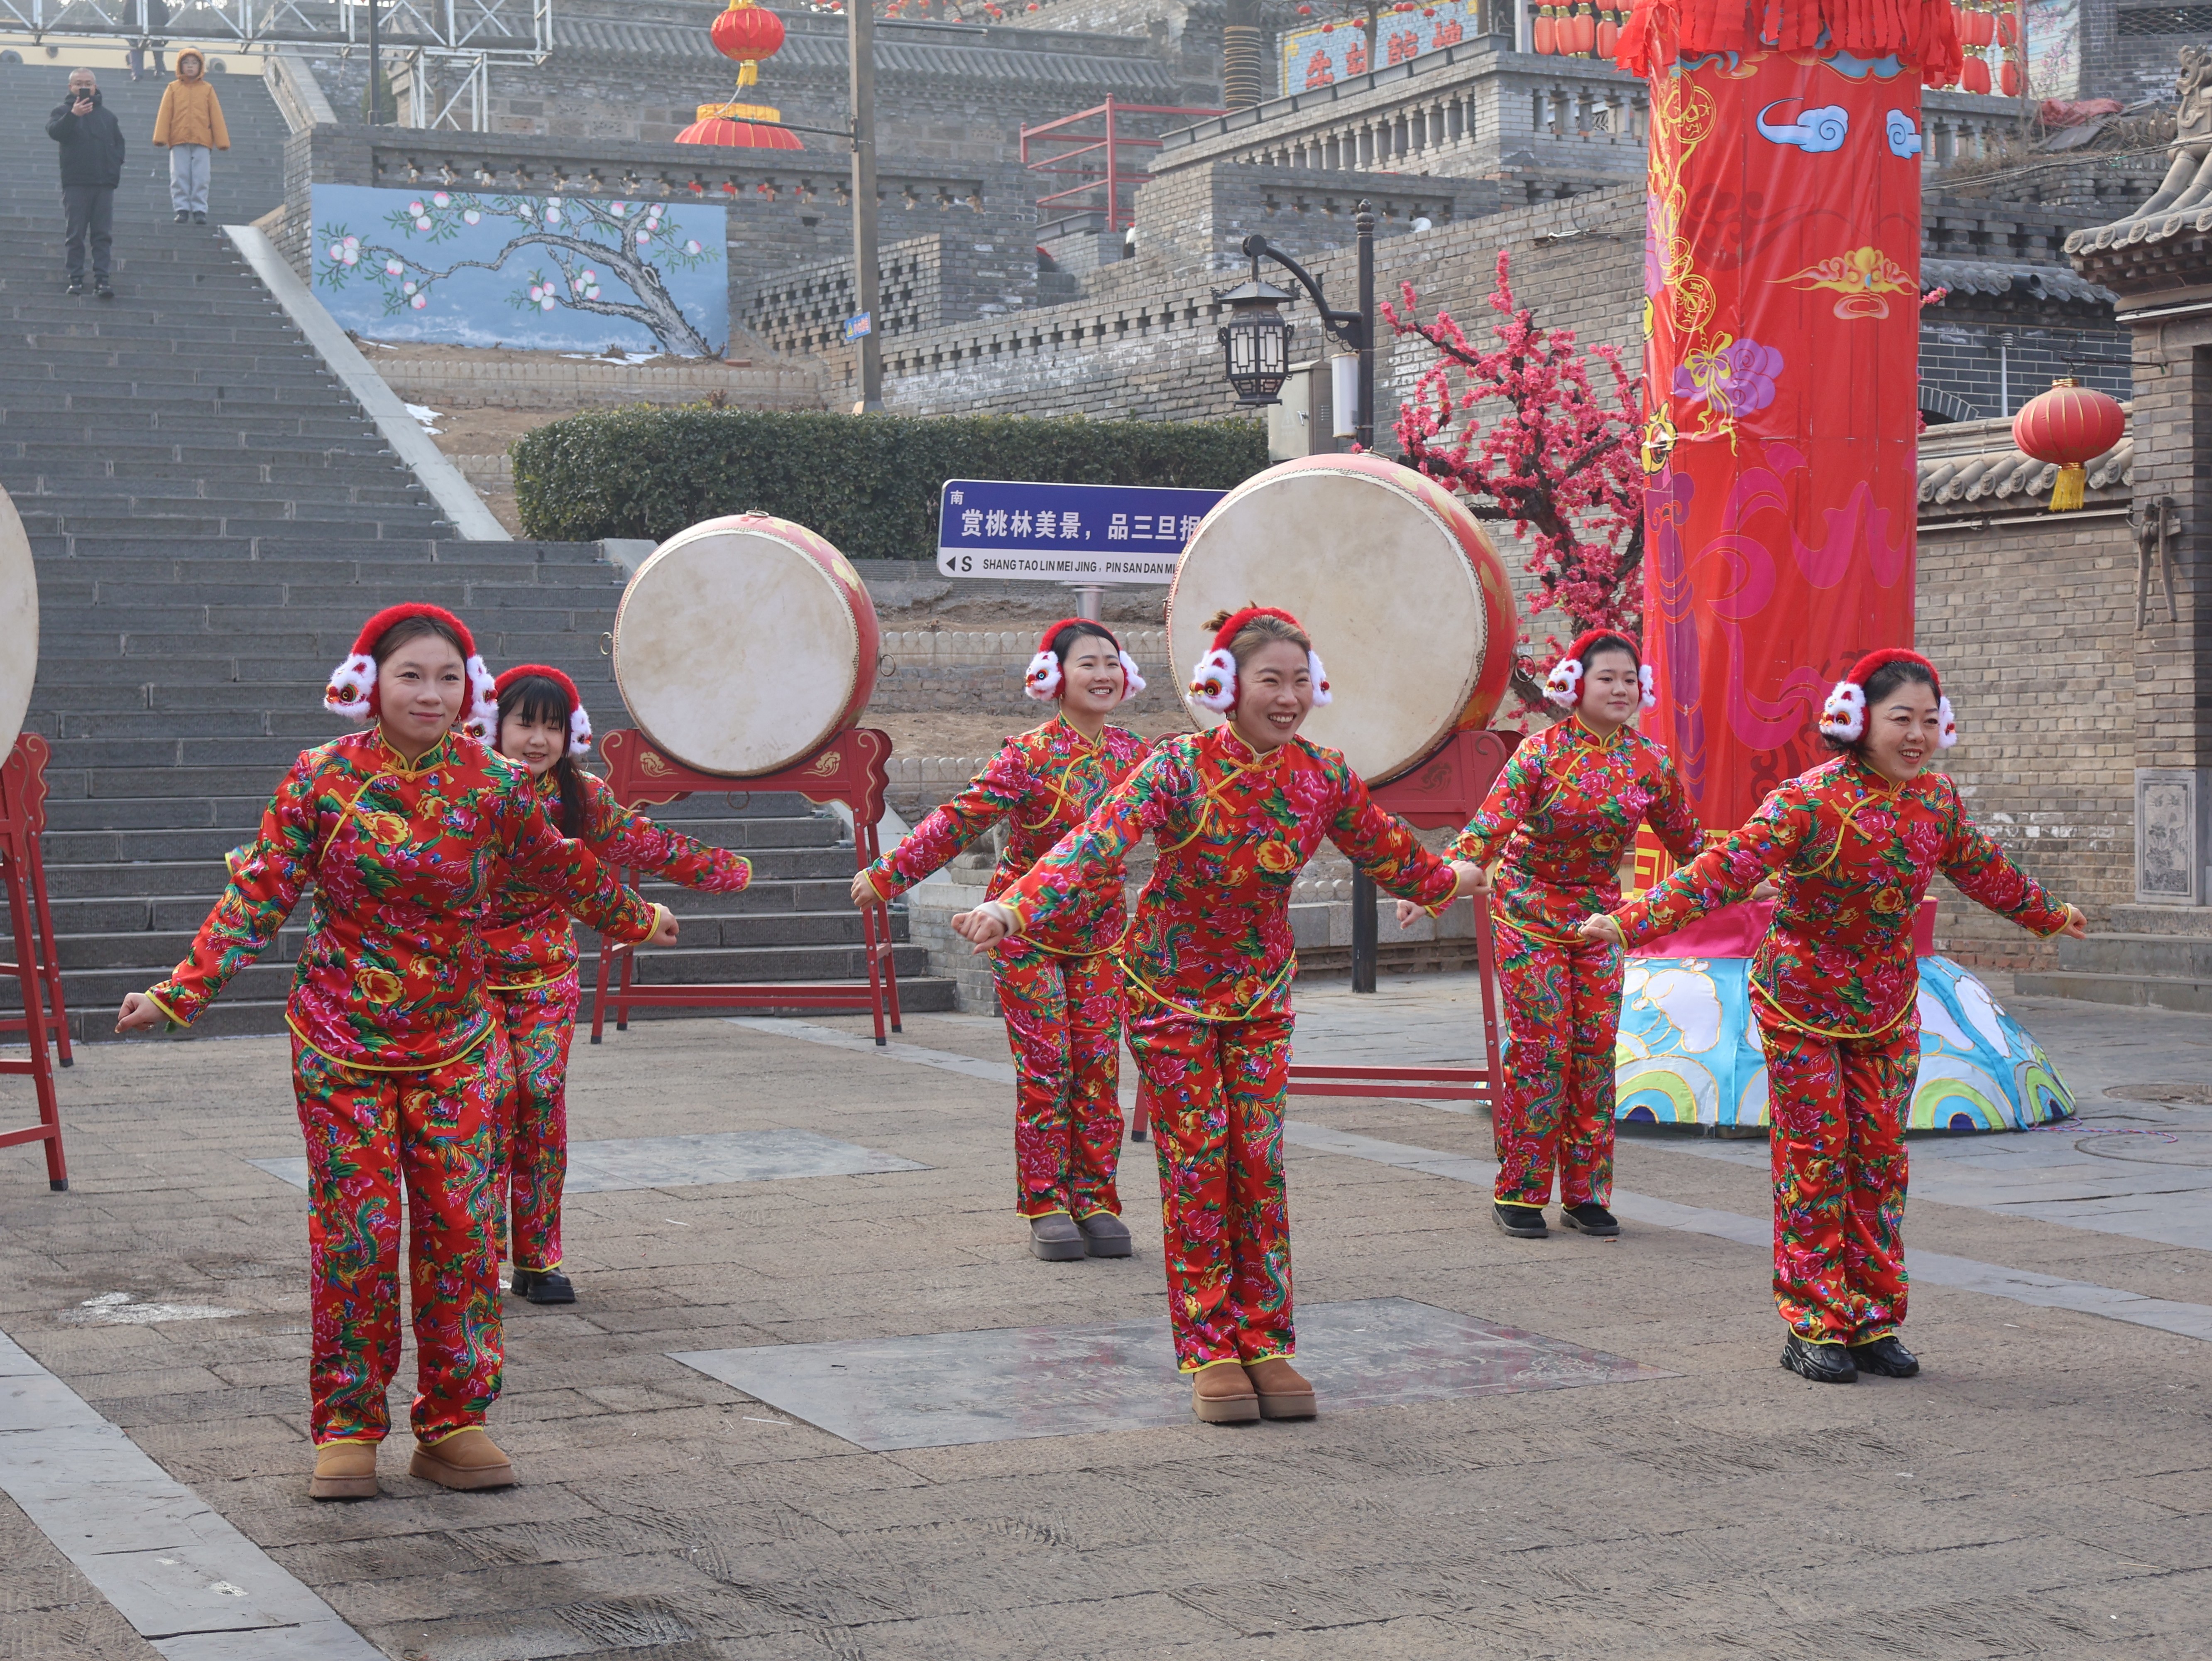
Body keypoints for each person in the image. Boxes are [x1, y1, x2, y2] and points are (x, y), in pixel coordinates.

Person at [113, 606, 678, 1502]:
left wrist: (634, 915)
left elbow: (558, 865)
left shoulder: (493, 782)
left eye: (448, 677)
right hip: (340, 1043)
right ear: (371, 682)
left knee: (460, 1232)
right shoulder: (321, 780)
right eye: (411, 674)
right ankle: (346, 1424)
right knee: (359, 1237)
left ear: (471, 689)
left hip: (457, 1040)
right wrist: (183, 988)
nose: (430, 693)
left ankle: (454, 1421)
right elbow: (260, 888)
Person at [956, 608, 1484, 1425]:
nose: (1288, 696)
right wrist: (1015, 910)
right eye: (1270, 679)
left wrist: (1460, 879)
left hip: (1262, 991)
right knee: (1201, 1163)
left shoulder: (1324, 775)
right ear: (1227, 685)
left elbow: (1395, 854)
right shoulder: (1176, 768)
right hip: (1169, 990)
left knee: (1260, 1165)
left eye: (1300, 681)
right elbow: (1093, 845)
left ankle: (1267, 1342)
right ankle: (1209, 1347)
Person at [1580, 649, 2086, 1385]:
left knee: (1879, 1161)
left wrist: (2048, 914)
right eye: (1898, 719)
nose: (1914, 736)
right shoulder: (1805, 800)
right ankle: (1813, 1323)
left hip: (1886, 1003)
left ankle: (1874, 1320)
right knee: (1817, 1158)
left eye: (1925, 721)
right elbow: (1723, 871)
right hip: (1800, 1000)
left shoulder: (1936, 803)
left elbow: (1983, 868)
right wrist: (1632, 922)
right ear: (1857, 720)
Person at [851, 620, 1152, 1262]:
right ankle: (1046, 1202)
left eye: (1112, 663)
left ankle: (1096, 1199)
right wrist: (888, 875)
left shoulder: (1137, 758)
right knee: (1049, 1068)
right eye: (1088, 664)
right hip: (1023, 933)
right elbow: (959, 819)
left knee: (1099, 1068)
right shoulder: (1027, 755)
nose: (1103, 675)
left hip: (1101, 940)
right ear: (1053, 677)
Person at [1409, 630, 1701, 1241]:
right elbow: (1486, 834)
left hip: (1599, 922)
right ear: (1575, 686)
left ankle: (1587, 1194)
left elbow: (1693, 851)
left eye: (1629, 679)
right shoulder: (1540, 754)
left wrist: (1752, 877)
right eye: (1606, 679)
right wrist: (1433, 885)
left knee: (1594, 1052)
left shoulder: (1651, 762)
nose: (1621, 689)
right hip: (1528, 912)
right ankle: (1519, 1190)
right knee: (1543, 1050)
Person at [485, 664, 754, 1306]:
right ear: (496, 726)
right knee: (488, 1104)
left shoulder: (583, 797)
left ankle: (537, 1258)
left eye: (552, 727)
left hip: (546, 976)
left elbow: (646, 844)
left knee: (541, 1103)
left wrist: (725, 872)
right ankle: (473, 1254)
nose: (537, 740)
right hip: (466, 979)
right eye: (525, 723)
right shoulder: (466, 789)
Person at [47, 69, 124, 299]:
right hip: (76, 183)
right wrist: (74, 115)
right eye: (79, 83)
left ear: (95, 87)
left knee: (102, 235)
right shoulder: (62, 111)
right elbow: (54, 132)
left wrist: (113, 171)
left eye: (88, 83)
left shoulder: (108, 116)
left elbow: (119, 145)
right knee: (76, 233)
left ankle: (102, 280)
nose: (84, 86)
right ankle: (76, 279)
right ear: (70, 87)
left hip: (103, 184)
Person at [152, 49, 229, 226]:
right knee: (179, 176)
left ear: (201, 67)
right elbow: (165, 114)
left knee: (202, 177)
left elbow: (216, 115)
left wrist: (222, 141)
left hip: (203, 140)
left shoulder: (208, 89)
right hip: (178, 139)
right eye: (187, 63)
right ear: (180, 66)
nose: (191, 67)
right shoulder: (173, 88)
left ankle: (200, 210)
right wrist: (160, 137)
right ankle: (182, 209)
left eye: (195, 63)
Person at [126, 0, 169, 81]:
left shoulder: (131, 2)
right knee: (157, 47)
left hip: (138, 29)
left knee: (136, 47)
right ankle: (160, 70)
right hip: (155, 27)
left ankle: (137, 73)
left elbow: (126, 16)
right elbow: (165, 14)